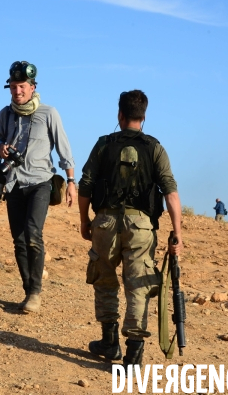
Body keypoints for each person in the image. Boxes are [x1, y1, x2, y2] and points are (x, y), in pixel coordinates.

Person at [78, 90, 183, 369]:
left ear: (120, 115)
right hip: (141, 226)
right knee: (138, 285)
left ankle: (109, 342)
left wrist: (84, 221)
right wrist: (178, 235)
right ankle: (133, 355)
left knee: (104, 279)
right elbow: (171, 194)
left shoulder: (103, 145)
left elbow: (85, 186)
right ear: (144, 117)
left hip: (106, 222)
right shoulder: (155, 148)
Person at [0, 61, 76, 313]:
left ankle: (36, 293)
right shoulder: (5, 115)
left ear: (33, 87)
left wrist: (71, 181)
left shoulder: (49, 113)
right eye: (14, 87)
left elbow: (63, 147)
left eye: (22, 87)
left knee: (32, 233)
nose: (18, 92)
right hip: (14, 183)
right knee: (18, 240)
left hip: (41, 182)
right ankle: (28, 291)